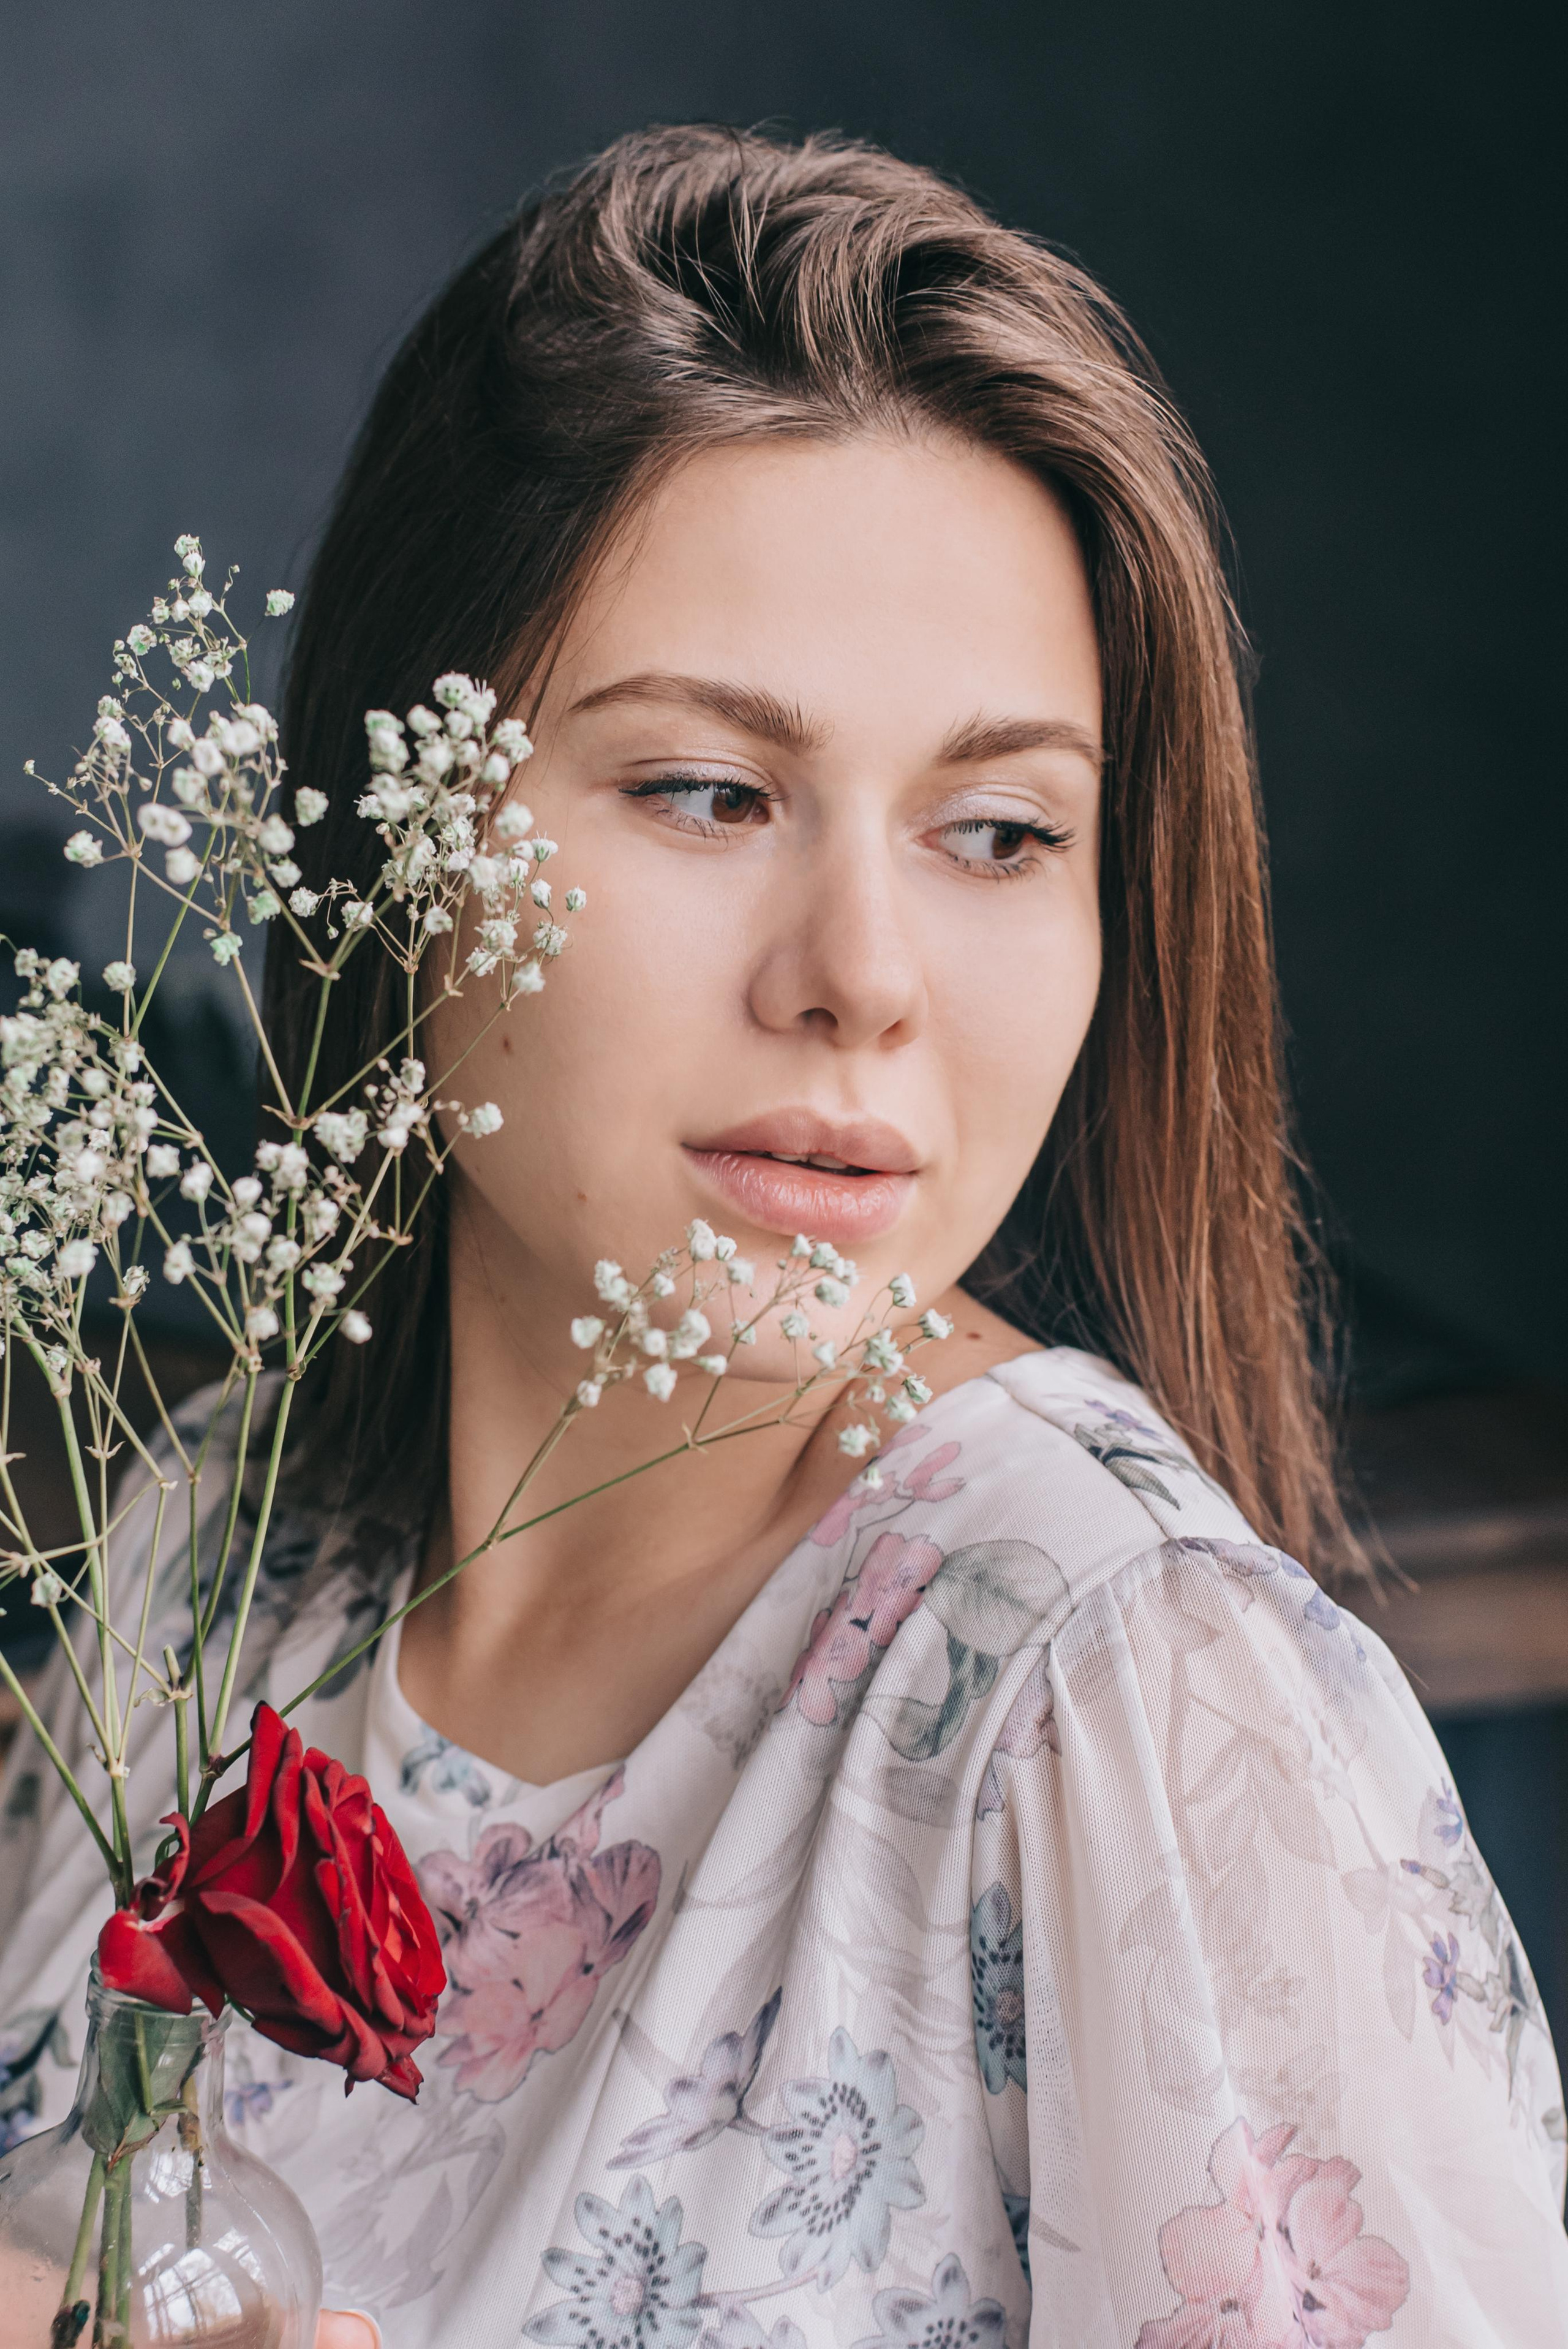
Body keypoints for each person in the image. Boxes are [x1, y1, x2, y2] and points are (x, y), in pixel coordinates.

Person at [1, 126, 1562, 2349]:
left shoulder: (1107, 1694)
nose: (866, 972)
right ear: (405, 830)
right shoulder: (221, 1547)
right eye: (712, 792)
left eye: (1000, 830)